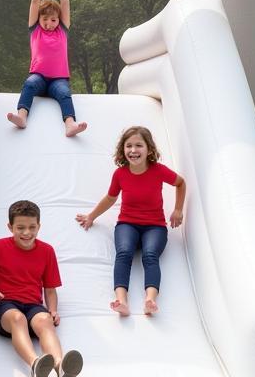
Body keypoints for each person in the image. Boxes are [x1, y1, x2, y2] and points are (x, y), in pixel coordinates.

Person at [76, 125, 186, 318]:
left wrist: (178, 209)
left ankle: (150, 300)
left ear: (149, 149)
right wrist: (91, 216)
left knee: (150, 255)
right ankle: (122, 301)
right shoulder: (120, 174)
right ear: (123, 150)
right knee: (124, 253)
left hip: (155, 226)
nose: (133, 150)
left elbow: (180, 183)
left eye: (139, 145)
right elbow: (110, 198)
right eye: (129, 146)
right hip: (128, 224)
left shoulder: (158, 170)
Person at [0, 200, 84, 377]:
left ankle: (60, 366)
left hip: (33, 306)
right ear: (10, 227)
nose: (27, 233)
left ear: (39, 226)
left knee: (44, 321)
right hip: (4, 304)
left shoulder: (47, 251)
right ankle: (35, 365)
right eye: (20, 228)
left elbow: (50, 289)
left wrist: (53, 310)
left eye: (32, 227)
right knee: (18, 318)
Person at [7, 0, 88, 137]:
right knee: (29, 84)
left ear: (59, 20)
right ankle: (22, 117)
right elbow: (35, 2)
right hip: (39, 78)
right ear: (39, 19)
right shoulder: (35, 30)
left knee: (65, 93)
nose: (49, 23)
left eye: (53, 20)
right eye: (45, 19)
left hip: (58, 80)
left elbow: (65, 3)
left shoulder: (63, 31)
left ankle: (70, 124)